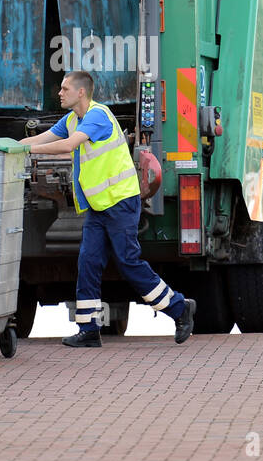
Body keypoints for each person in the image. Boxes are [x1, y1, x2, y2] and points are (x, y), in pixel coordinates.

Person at [20, 70, 195, 347]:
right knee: (88, 262)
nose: (59, 93)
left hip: (121, 202)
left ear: (80, 92)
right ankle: (88, 329)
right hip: (100, 206)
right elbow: (42, 139)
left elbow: (67, 145)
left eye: (65, 89)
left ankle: (179, 308)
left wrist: (27, 152)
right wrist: (9, 147)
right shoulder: (73, 118)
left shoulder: (97, 116)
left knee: (128, 262)